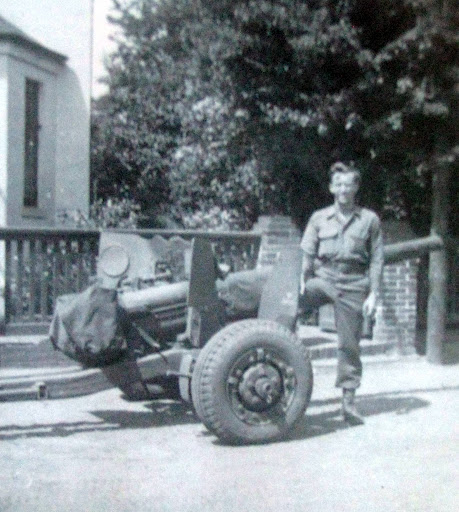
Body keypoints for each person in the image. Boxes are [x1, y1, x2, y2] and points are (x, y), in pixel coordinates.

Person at [300, 162, 384, 425]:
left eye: (348, 184)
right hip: (323, 278)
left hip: (354, 283)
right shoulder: (319, 218)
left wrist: (374, 294)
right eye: (339, 184)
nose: (343, 189)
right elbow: (307, 252)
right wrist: (302, 279)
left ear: (356, 187)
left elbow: (376, 260)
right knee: (286, 303)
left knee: (349, 344)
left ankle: (348, 402)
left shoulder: (369, 220)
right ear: (331, 188)